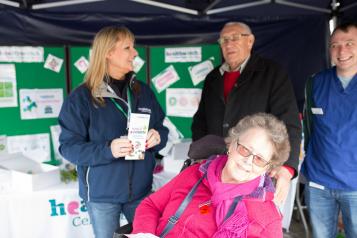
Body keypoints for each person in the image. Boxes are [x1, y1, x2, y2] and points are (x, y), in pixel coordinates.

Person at [58, 26, 168, 238]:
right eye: (128, 48)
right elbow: (69, 147)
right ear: (108, 52)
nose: (135, 53)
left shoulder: (142, 91)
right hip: (102, 196)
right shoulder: (81, 98)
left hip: (141, 192)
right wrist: (109, 149)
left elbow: (162, 129)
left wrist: (157, 137)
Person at [191, 22, 301, 204]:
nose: (228, 44)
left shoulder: (272, 73)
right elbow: (200, 121)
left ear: (250, 41)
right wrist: (200, 154)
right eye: (224, 40)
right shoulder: (212, 77)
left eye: (235, 38)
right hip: (216, 169)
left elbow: (288, 122)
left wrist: (287, 167)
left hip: (255, 170)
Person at [131, 113, 290, 237]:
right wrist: (143, 234)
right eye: (244, 149)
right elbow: (151, 206)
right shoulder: (195, 173)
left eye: (259, 159)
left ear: (267, 168)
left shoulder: (267, 218)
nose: (248, 161)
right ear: (231, 144)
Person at [301, 22, 357, 238]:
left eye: (349, 43)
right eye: (335, 45)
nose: (341, 51)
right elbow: (308, 126)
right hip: (319, 182)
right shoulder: (315, 82)